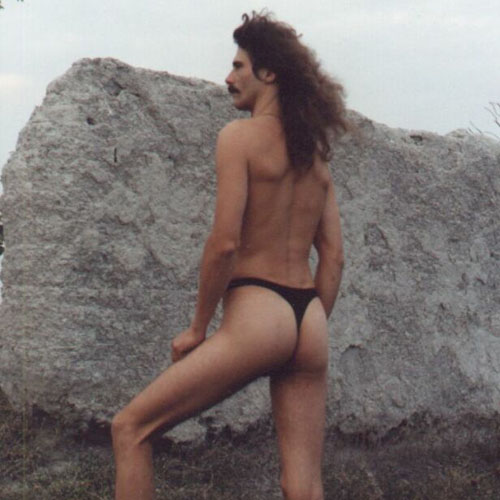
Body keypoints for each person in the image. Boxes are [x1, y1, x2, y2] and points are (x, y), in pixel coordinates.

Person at [112, 11, 347, 500]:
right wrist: (307, 329)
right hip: (310, 320)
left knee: (131, 429)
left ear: (269, 72)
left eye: (239, 66)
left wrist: (198, 329)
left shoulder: (238, 138)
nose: (228, 77)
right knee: (304, 484)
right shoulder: (315, 155)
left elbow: (224, 243)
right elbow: (334, 258)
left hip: (258, 311)